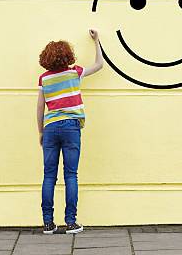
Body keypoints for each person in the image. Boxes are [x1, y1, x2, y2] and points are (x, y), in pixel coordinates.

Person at [36, 29, 103, 234]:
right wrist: (97, 41)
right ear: (68, 56)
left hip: (51, 128)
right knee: (71, 175)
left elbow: (40, 107)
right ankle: (71, 223)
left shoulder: (44, 79)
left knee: (49, 176)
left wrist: (41, 132)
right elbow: (99, 65)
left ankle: (48, 223)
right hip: (71, 127)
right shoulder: (75, 73)